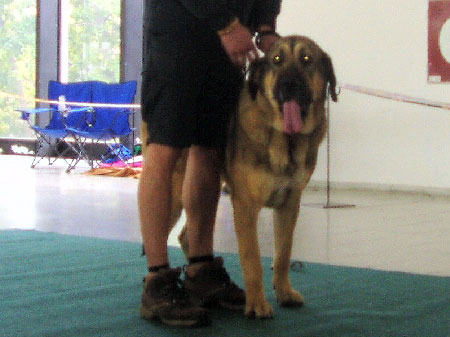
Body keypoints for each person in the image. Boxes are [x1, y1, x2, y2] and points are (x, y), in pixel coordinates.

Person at [138, 0, 282, 327]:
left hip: (228, 45)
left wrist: (265, 27)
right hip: (177, 37)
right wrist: (228, 26)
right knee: (165, 148)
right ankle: (157, 280)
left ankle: (201, 269)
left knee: (211, 148)